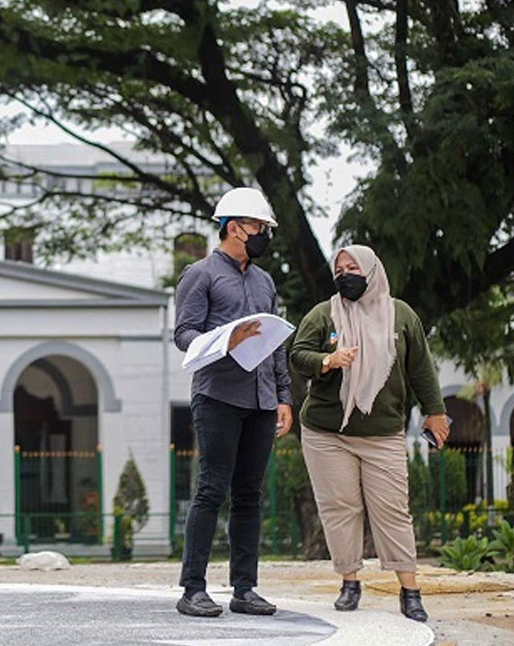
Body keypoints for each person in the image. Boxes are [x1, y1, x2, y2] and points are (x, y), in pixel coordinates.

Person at [289, 245, 449, 622]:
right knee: (341, 507)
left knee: (392, 511)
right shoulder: (324, 314)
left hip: (383, 432)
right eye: (339, 269)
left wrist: (436, 412)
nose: (345, 274)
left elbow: (421, 369)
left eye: (352, 267)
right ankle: (350, 582)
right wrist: (327, 361)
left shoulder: (401, 315)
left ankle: (410, 591)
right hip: (327, 432)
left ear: (371, 271)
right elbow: (298, 354)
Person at [173, 187, 294, 618]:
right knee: (211, 490)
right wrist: (225, 341)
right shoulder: (200, 274)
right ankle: (192, 589)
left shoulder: (264, 282)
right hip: (217, 396)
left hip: (261, 401)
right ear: (233, 226)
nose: (263, 233)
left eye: (265, 228)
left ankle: (245, 589)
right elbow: (183, 334)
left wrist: (283, 397)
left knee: (250, 495)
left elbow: (277, 344)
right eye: (258, 226)